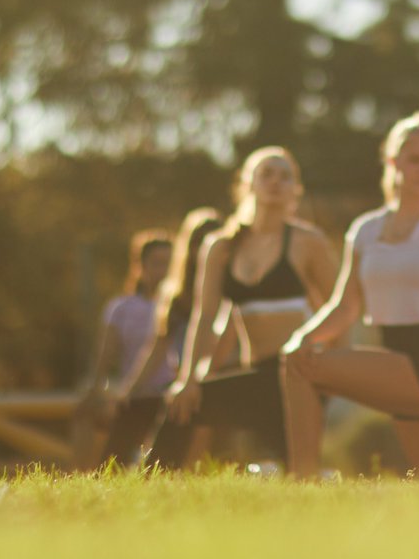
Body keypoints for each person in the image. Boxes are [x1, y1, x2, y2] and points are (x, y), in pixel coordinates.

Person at [282, 113, 419, 478]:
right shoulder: (365, 230)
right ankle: (304, 479)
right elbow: (345, 306)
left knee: (301, 370)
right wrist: (302, 337)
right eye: (414, 159)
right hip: (390, 359)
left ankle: (303, 480)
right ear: (393, 162)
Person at [146, 147, 338, 469]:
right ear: (248, 183)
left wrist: (331, 368)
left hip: (301, 372)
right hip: (257, 372)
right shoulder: (220, 246)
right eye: (266, 174)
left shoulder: (309, 242)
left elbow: (341, 306)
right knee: (184, 404)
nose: (275, 181)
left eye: (285, 176)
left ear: (296, 189)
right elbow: (203, 316)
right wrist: (188, 378)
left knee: (298, 468)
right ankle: (149, 488)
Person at [97, 208, 225, 466]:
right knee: (132, 412)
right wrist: (129, 392)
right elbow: (157, 347)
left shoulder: (230, 286)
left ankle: (191, 470)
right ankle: (110, 476)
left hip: (215, 377)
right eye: (198, 242)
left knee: (194, 417)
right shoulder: (175, 293)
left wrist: (198, 377)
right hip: (178, 384)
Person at [74, 230, 172, 468]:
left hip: (168, 397)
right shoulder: (120, 308)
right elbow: (106, 353)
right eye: (156, 263)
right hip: (134, 398)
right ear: (140, 265)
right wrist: (97, 388)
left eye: (168, 264)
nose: (162, 271)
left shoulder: (178, 306)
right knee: (112, 463)